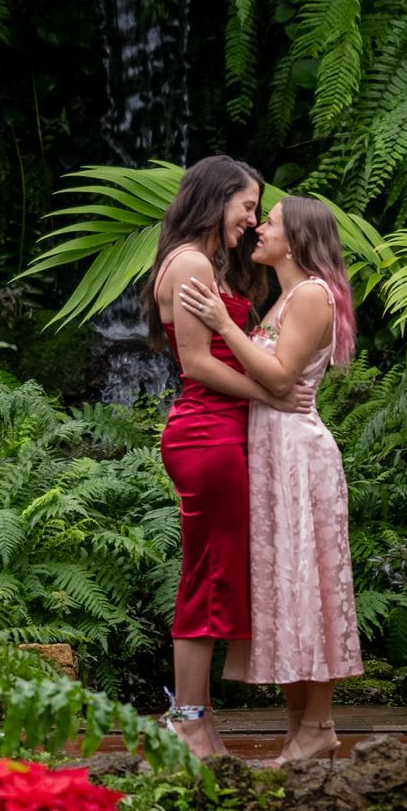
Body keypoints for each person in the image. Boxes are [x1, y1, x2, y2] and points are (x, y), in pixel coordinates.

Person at [181, 196, 362, 767]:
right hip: (273, 454)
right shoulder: (286, 296)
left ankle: (319, 726)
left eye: (272, 222)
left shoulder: (310, 295)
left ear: (297, 239)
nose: (259, 228)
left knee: (309, 588)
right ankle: (302, 734)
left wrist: (219, 326)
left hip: (298, 456)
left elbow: (282, 378)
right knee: (289, 589)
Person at [152, 155, 264, 759]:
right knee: (206, 577)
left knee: (213, 574)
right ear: (217, 197)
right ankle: (186, 720)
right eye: (247, 205)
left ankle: (198, 720)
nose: (252, 219)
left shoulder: (200, 260)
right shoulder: (191, 261)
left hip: (219, 432)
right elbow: (197, 364)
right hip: (207, 434)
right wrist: (273, 394)